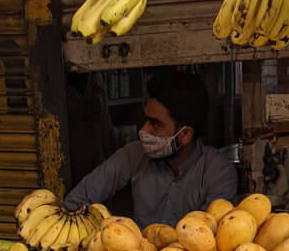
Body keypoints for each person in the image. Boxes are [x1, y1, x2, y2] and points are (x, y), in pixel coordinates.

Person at [64, 69, 237, 228]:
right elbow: (76, 201)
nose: (143, 130)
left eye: (156, 124)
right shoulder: (133, 154)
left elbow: (210, 235)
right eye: (145, 119)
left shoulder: (218, 173)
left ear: (185, 135)